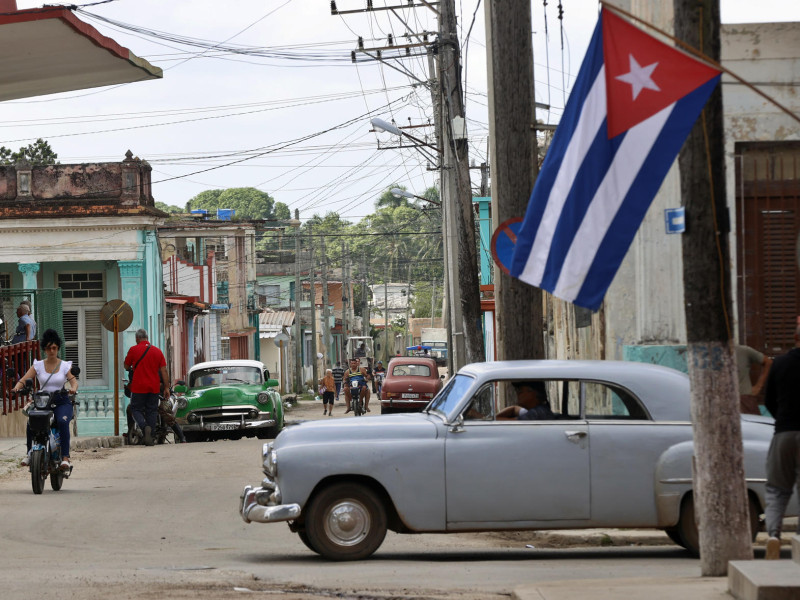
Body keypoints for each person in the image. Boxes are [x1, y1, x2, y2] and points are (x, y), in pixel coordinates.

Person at [13, 329, 78, 470]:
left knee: (62, 421)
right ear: (44, 349)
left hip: (61, 401)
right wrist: (16, 387)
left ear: (58, 348)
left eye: (54, 348)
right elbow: (24, 379)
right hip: (43, 401)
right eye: (48, 348)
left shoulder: (64, 366)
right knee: (32, 422)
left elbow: (73, 381)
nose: (51, 351)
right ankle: (30, 453)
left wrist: (73, 388)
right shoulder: (38, 365)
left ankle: (65, 457)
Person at [762, 324, 800, 560]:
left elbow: (768, 400)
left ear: (795, 337)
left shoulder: (780, 364)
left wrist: (783, 420)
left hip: (784, 433)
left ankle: (773, 536)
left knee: (777, 489)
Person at [124, 329, 168, 446]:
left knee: (135, 409)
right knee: (152, 411)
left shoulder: (133, 349)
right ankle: (151, 436)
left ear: (137, 338)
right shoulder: (157, 351)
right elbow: (164, 371)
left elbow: (126, 365)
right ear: (147, 338)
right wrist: (167, 388)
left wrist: (131, 366)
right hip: (154, 386)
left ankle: (144, 427)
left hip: (138, 386)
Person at [736, 344, 772, 415]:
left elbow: (768, 362)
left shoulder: (743, 351)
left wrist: (759, 386)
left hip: (744, 398)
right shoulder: (711, 354)